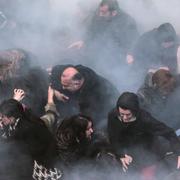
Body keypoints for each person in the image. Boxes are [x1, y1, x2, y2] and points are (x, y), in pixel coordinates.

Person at [108, 92, 180, 177]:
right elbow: (113, 137)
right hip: (125, 151)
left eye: (128, 115)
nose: (124, 118)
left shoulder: (145, 120)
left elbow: (169, 133)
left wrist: (178, 152)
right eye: (122, 114)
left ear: (134, 111)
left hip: (147, 153)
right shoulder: (113, 115)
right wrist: (121, 155)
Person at [68, 0, 138, 68]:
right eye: (100, 11)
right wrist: (83, 41)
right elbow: (92, 31)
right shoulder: (99, 16)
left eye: (103, 12)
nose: (100, 15)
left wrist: (130, 53)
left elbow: (134, 41)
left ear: (114, 13)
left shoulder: (127, 22)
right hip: (99, 55)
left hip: (118, 57)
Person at [51, 64, 119, 129]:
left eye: (66, 86)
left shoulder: (94, 94)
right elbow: (55, 70)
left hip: (104, 113)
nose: (63, 88)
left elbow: (88, 121)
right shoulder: (75, 71)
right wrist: (55, 92)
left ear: (76, 84)